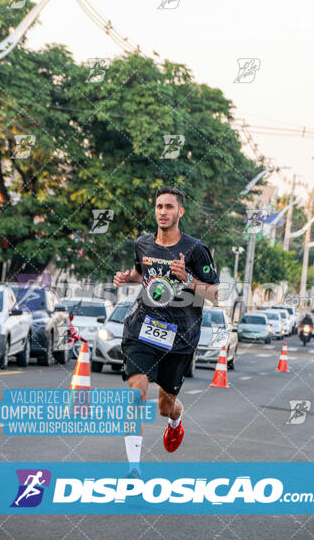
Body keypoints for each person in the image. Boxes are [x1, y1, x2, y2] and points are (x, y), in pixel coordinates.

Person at [114, 186, 219, 470]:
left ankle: (175, 420)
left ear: (180, 212)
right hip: (143, 328)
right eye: (159, 206)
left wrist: (187, 279)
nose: (163, 212)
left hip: (180, 336)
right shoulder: (143, 244)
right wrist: (127, 278)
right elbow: (141, 272)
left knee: (164, 406)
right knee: (137, 393)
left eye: (169, 207)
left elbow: (215, 294)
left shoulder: (196, 250)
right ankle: (133, 469)